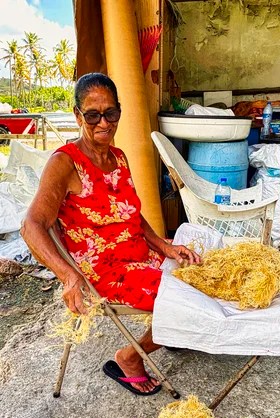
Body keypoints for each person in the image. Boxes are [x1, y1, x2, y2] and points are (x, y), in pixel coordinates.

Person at [21, 73, 200, 396]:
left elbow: (129, 213)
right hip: (104, 271)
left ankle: (167, 332)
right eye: (92, 115)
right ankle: (130, 357)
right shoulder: (65, 163)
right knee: (189, 299)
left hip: (139, 253)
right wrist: (67, 276)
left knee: (200, 270)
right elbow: (31, 226)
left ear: (119, 111)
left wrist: (163, 245)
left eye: (111, 113)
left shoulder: (118, 157)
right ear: (77, 115)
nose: (103, 122)